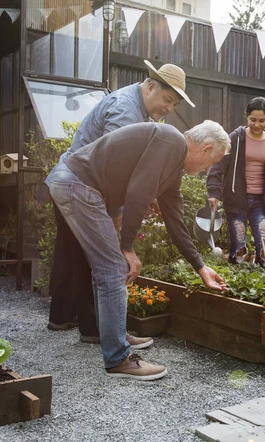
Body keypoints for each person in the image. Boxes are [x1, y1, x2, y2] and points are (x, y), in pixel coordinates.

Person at [45, 120, 230, 380]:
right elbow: (138, 193)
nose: (207, 169)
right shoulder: (172, 141)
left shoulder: (172, 165)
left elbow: (175, 221)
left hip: (72, 182)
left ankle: (112, 337)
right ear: (206, 148)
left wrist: (201, 267)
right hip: (78, 184)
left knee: (105, 268)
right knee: (112, 268)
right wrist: (128, 247)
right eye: (212, 161)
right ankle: (119, 358)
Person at [47, 60, 194, 348]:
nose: (169, 109)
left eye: (174, 104)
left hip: (67, 181)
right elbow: (119, 168)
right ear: (150, 86)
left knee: (70, 252)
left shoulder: (140, 109)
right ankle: (96, 330)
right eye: (167, 100)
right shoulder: (126, 109)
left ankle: (62, 316)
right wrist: (116, 213)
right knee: (96, 258)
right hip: (82, 186)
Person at [206, 97, 265, 266]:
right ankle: (237, 284)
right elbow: (218, 165)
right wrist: (213, 192)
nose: (257, 125)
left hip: (260, 203)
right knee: (239, 246)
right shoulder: (236, 138)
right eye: (253, 120)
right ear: (247, 117)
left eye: (262, 121)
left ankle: (261, 283)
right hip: (236, 200)